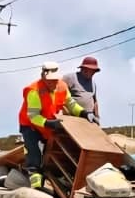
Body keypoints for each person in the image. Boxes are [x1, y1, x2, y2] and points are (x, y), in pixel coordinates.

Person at [19, 60, 99, 189]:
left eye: (55, 80)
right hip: (31, 125)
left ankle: (53, 180)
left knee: (54, 152)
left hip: (50, 124)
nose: (53, 83)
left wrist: (84, 113)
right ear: (43, 77)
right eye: (50, 81)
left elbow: (70, 104)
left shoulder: (62, 86)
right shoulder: (34, 90)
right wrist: (49, 123)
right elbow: (33, 117)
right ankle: (36, 186)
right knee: (34, 154)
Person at [60, 56, 101, 121]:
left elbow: (95, 101)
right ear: (83, 68)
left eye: (94, 71)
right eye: (92, 70)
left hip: (89, 119)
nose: (93, 73)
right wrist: (64, 111)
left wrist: (97, 116)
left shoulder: (93, 84)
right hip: (73, 118)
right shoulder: (69, 78)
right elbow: (58, 95)